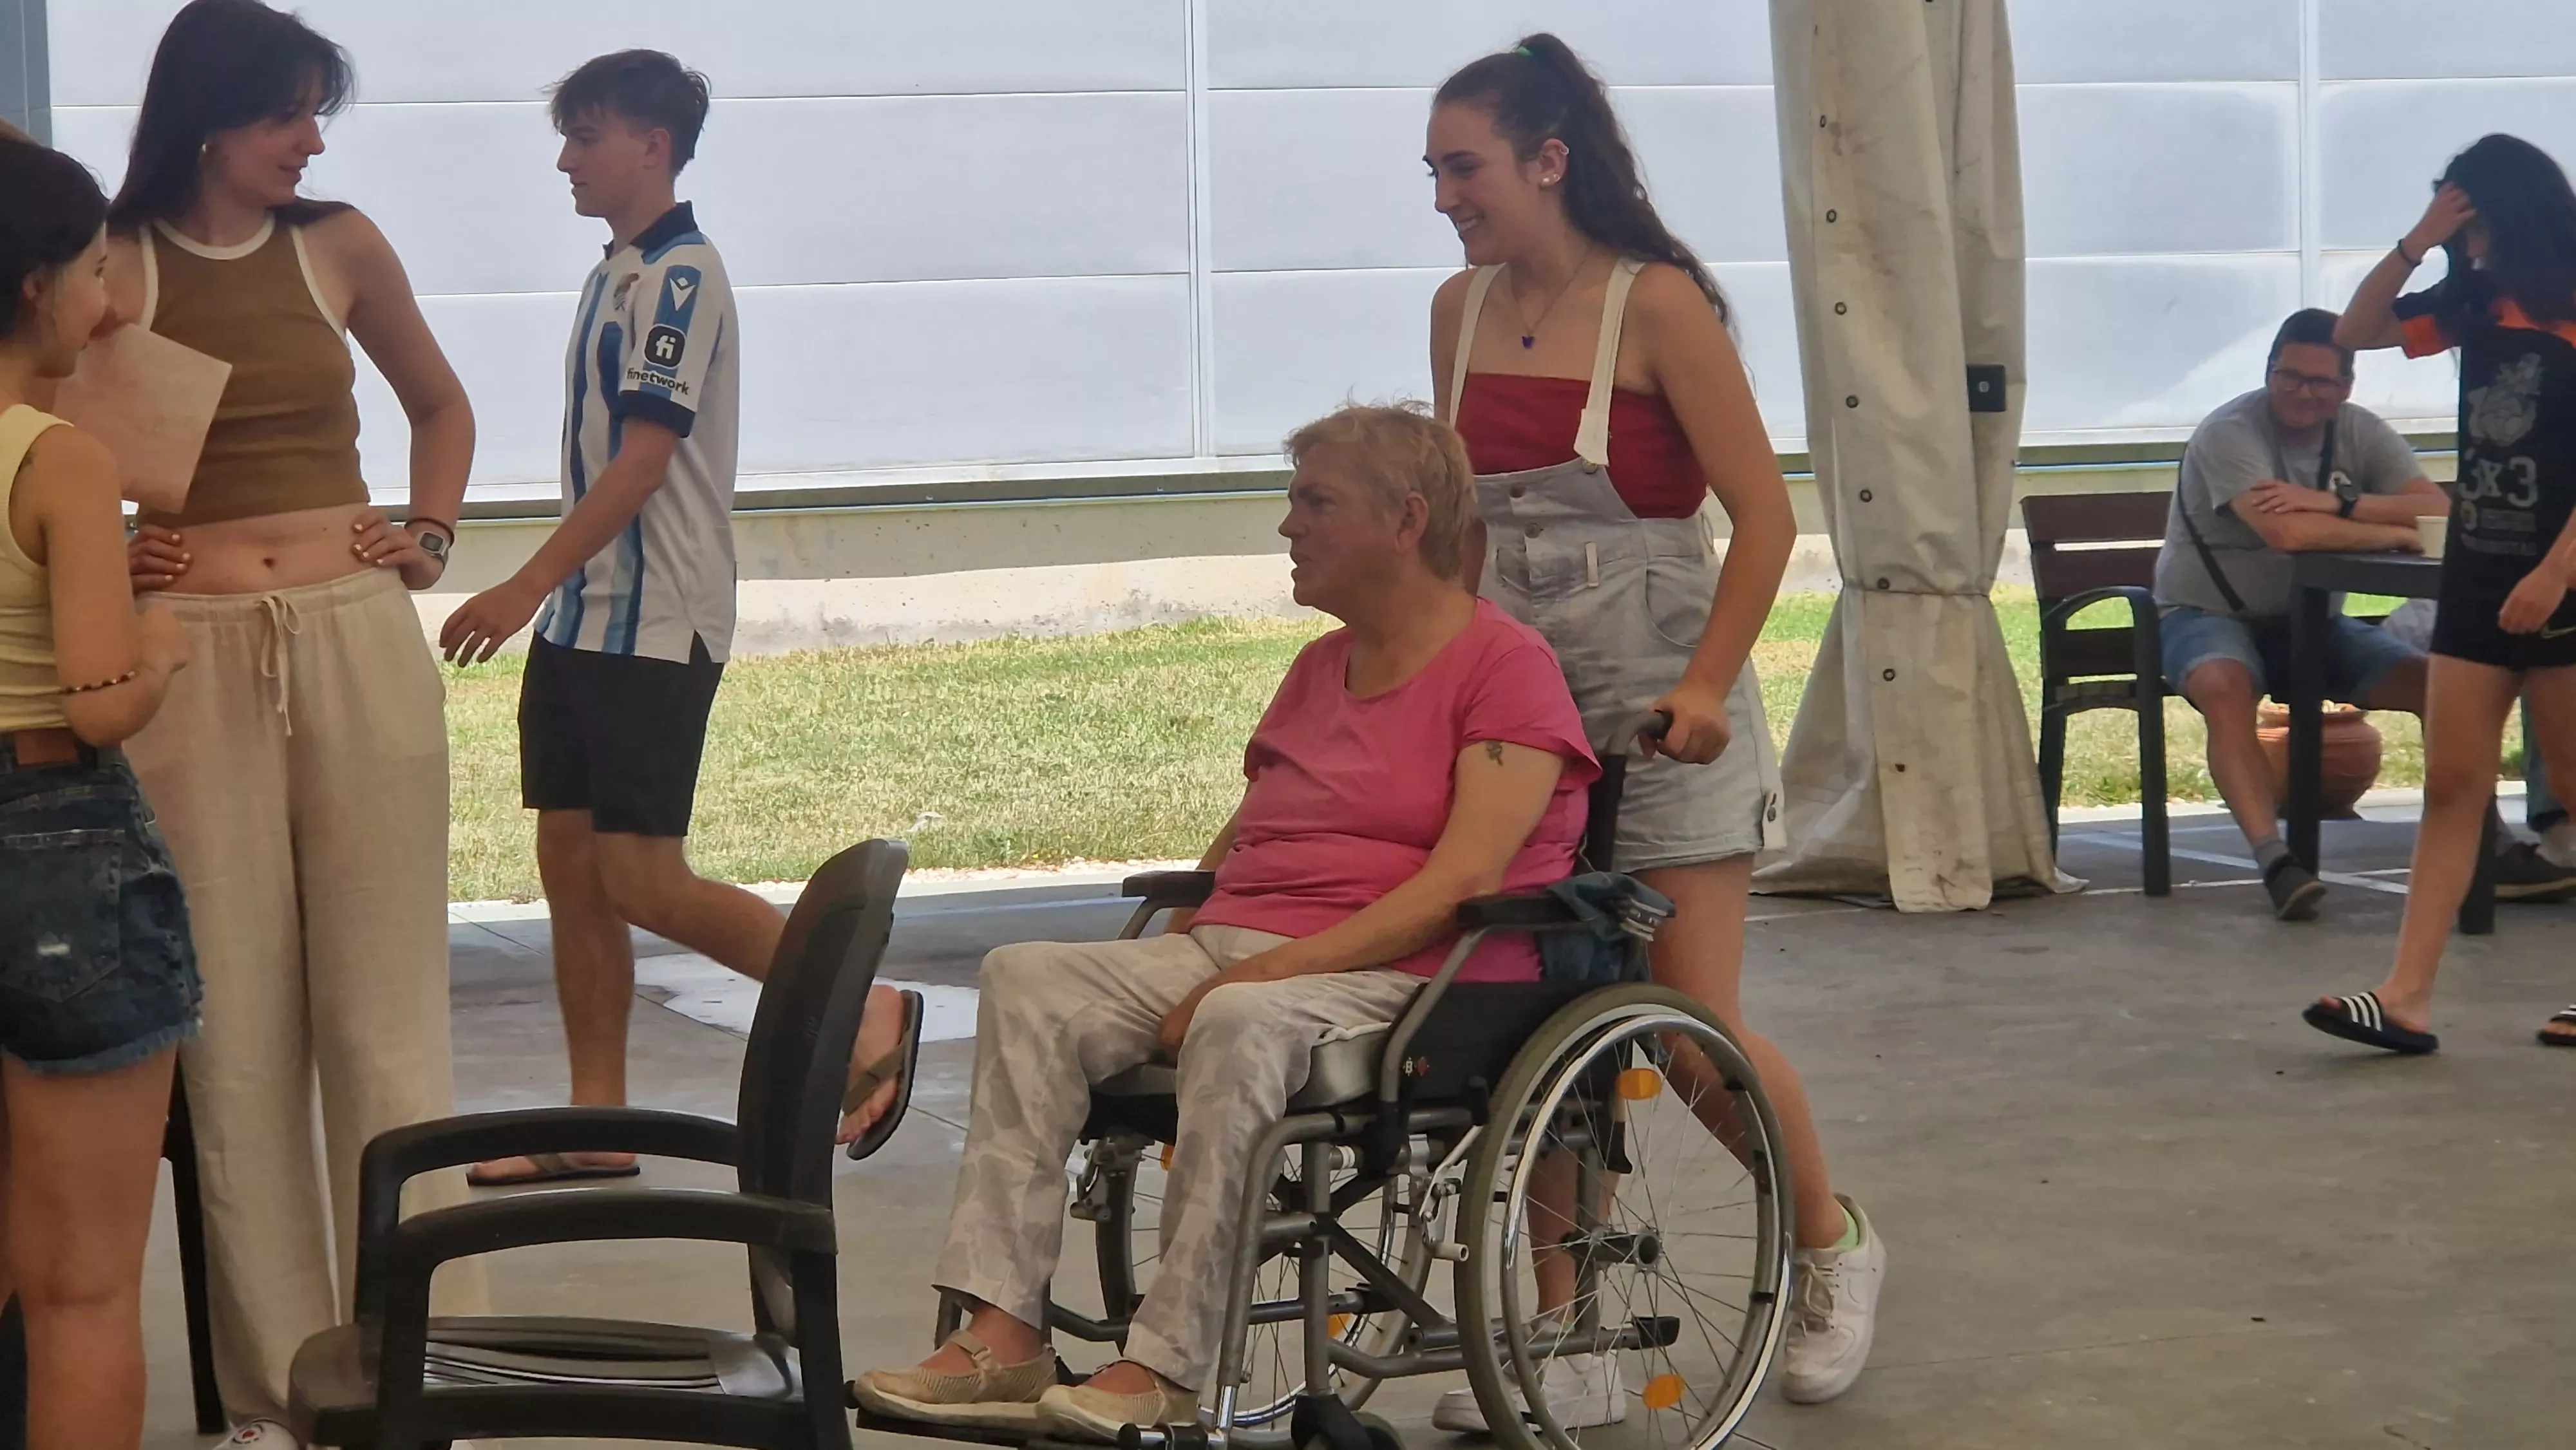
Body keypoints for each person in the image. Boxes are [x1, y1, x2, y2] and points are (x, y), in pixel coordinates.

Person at [851, 404, 1601, 1440]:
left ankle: (1164, 1366)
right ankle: (1003, 1334)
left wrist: (1252, 978)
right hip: (1241, 952)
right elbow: (1243, 845)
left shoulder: (1503, 667)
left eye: (1315, 502)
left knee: (1237, 1025)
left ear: (1405, 521)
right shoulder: (1315, 670)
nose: (1288, 526)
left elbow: (1456, 884)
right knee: (1027, 977)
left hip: (1414, 976)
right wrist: (1173, 960)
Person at [1423, 34, 1881, 1410]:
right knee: (1534, 1029)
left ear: (1547, 162)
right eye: (1434, 171)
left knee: (1679, 1025)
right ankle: (1569, 1342)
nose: (1445, 196)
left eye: (1466, 167)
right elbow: (1456, 538)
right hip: (1520, 721)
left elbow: (1765, 518)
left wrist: (1700, 686)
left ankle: (1829, 1240)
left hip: (1661, 718)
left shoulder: (1660, 308)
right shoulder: (1451, 309)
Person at [100, 2, 487, 1439]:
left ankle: (424, 1357)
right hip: (189, 653)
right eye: (287, 114)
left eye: (319, 113)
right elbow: (55, 443)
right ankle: (274, 1395)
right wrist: (107, 550)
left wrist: (430, 532)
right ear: (210, 114)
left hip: (349, 628)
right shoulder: (116, 261)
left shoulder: (338, 242)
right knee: (238, 1032)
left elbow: (438, 404)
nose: (310, 140)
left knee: (387, 1011)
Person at [437, 51, 914, 1185]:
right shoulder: (616, 271)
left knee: (646, 877)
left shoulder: (682, 276)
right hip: (585, 621)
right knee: (568, 863)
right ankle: (594, 1115)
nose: (566, 159)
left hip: (655, 620)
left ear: (652, 146)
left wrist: (520, 583)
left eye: (587, 136)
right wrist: (554, 599)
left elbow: (644, 464)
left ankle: (867, 1003)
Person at [0, 134, 198, 1450]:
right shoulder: (59, 456)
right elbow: (94, 699)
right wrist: (162, 631)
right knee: (77, 1292)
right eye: (92, 271)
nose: (111, 304)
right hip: (55, 844)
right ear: (33, 289)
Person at [2152, 306, 2572, 919]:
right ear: (2269, 373)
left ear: (2346, 387)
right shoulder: (2230, 433)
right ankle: (2276, 860)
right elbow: (2287, 534)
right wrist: (2392, 532)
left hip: (2313, 623)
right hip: (2207, 613)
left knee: (2441, 690)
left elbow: (2436, 510)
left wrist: (2338, 503)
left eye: (2320, 382)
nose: (2302, 393)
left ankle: (2487, 846)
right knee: (2224, 686)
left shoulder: (2359, 431)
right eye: (2288, 376)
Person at [2307, 134, 2576, 1052]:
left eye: (2474, 221)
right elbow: (2351, 333)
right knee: (2455, 786)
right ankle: (2406, 996)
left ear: (2510, 213)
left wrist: (2556, 571)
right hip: (2478, 568)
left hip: (2562, 574)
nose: (2471, 241)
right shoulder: (2473, 299)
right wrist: (2418, 237)